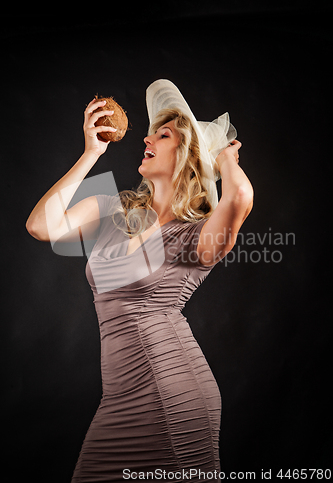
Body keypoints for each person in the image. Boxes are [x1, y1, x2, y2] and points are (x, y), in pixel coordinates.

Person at [26, 80, 253, 482]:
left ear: (188, 156)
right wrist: (91, 153)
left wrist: (224, 160)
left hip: (175, 392)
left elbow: (237, 199)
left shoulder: (197, 235)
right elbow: (41, 226)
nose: (146, 137)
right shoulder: (114, 210)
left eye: (163, 135)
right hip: (121, 395)